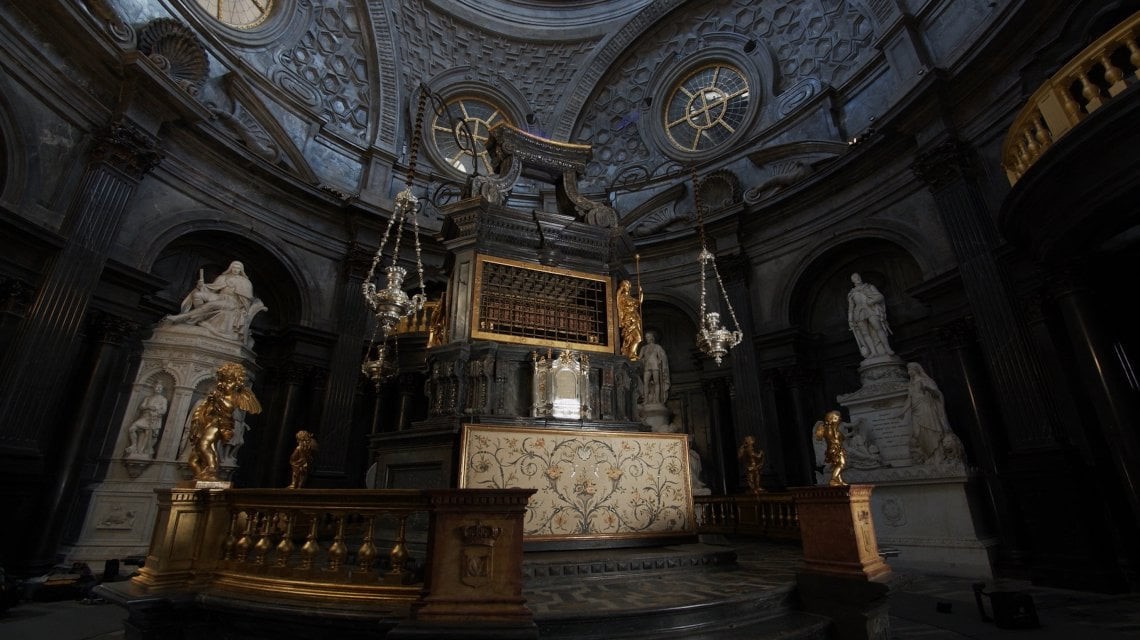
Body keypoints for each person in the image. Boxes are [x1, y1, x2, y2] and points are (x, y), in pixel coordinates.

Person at [186, 363, 261, 482]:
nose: (223, 384)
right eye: (222, 380)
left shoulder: (234, 396)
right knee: (193, 459)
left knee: (204, 445)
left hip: (220, 424)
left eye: (229, 381)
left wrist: (217, 400)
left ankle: (212, 469)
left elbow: (228, 408)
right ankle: (201, 476)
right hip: (209, 422)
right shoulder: (220, 393)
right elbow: (209, 410)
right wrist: (209, 404)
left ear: (236, 382)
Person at [165, 261, 265, 342]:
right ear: (230, 268)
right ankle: (200, 318)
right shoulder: (223, 277)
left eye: (238, 268)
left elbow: (246, 301)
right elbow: (211, 289)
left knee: (211, 305)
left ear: (241, 270)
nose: (236, 270)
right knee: (197, 294)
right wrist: (201, 286)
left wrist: (242, 308)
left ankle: (183, 317)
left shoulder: (245, 282)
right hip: (219, 297)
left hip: (232, 302)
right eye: (234, 267)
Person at [896, 362, 965, 465]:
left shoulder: (925, 381)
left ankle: (938, 457)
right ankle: (928, 456)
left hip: (926, 409)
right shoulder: (910, 385)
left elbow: (937, 394)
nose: (909, 372)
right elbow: (909, 400)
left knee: (931, 431)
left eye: (910, 369)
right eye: (908, 369)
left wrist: (929, 389)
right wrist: (902, 412)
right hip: (915, 412)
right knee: (917, 434)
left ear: (916, 370)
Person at [846, 272, 894, 358]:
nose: (857, 278)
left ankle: (887, 348)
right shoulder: (852, 293)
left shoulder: (869, 287)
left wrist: (872, 301)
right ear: (852, 281)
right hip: (859, 313)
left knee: (878, 327)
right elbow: (851, 307)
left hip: (870, 309)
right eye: (855, 278)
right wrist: (850, 320)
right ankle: (873, 352)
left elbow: (880, 296)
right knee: (865, 333)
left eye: (858, 276)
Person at [124, 382, 168, 458]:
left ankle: (142, 452)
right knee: (132, 428)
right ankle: (134, 445)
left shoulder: (163, 399)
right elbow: (141, 407)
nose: (158, 389)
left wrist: (156, 410)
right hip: (145, 417)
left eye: (160, 388)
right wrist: (149, 406)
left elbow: (164, 410)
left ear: (162, 389)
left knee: (149, 435)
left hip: (154, 419)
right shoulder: (148, 398)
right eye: (157, 387)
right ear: (154, 388)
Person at [813, 410, 847, 486]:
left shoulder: (835, 430)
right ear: (830, 419)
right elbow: (833, 439)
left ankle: (839, 480)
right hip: (834, 449)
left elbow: (841, 438)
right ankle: (833, 479)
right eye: (835, 418)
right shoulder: (828, 429)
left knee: (838, 465)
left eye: (838, 418)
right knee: (841, 464)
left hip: (837, 449)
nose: (838, 419)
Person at [639, 330, 670, 405]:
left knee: (657, 382)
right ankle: (646, 400)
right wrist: (641, 360)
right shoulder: (644, 348)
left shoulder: (657, 347)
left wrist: (660, 360)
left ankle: (657, 400)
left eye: (648, 337)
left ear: (652, 338)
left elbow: (663, 356)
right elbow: (639, 358)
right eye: (646, 337)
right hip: (647, 366)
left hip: (655, 366)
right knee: (645, 383)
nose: (647, 338)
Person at [616, 279, 643, 361]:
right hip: (629, 319)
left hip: (635, 318)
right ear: (623, 287)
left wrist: (641, 293)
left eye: (628, 286)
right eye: (626, 285)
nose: (628, 287)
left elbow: (638, 302)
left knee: (637, 338)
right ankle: (630, 354)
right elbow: (619, 303)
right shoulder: (622, 297)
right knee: (637, 338)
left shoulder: (629, 297)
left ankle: (632, 354)